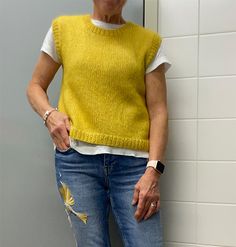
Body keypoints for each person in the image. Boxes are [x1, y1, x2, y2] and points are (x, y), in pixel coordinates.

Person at [26, 0, 171, 246]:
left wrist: (153, 171)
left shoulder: (148, 43)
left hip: (135, 169)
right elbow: (35, 87)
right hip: (76, 163)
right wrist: (50, 115)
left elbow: (158, 112)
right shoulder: (63, 30)